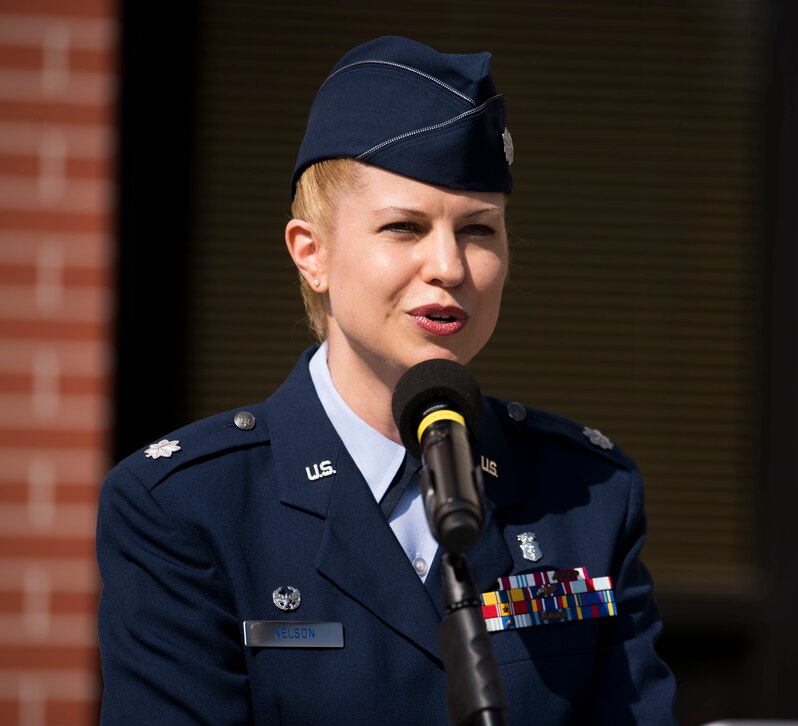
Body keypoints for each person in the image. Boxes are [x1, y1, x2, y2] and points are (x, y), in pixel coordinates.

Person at [96, 35, 677, 724]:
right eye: (404, 227)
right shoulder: (192, 507)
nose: (450, 267)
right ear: (311, 254)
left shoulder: (585, 498)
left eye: (480, 231)